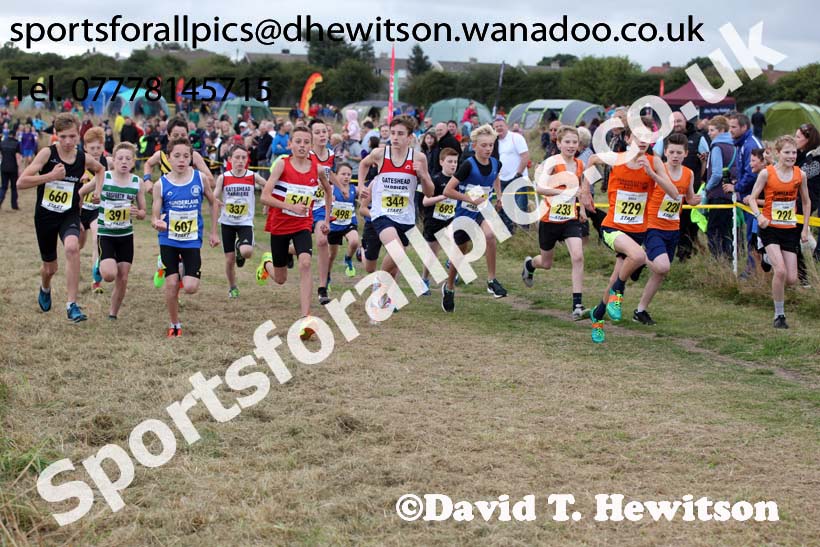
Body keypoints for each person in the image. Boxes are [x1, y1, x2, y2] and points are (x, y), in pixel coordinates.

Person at [585, 117, 680, 343]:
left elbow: (675, 193)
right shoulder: (616, 159)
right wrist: (584, 192)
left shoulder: (654, 162)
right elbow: (591, 160)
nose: (643, 141)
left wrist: (653, 174)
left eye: (648, 137)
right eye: (639, 136)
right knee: (638, 256)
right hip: (613, 227)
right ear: (628, 138)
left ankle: (597, 316)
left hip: (637, 231)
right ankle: (619, 293)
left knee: (614, 277)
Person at [17, 113, 105, 322]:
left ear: (78, 135)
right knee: (50, 268)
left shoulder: (82, 157)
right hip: (46, 217)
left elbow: (100, 169)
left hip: (69, 213)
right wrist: (50, 177)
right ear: (56, 135)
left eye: (73, 136)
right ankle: (45, 287)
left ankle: (71, 305)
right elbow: (22, 182)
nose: (68, 141)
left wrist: (98, 191)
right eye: (64, 136)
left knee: (72, 248)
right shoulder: (47, 154)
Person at [257, 126, 332, 339]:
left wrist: (326, 218)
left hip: (302, 224)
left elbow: (328, 191)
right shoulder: (282, 164)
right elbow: (264, 196)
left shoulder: (316, 168)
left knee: (306, 263)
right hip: (280, 225)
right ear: (290, 144)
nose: (302, 145)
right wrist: (289, 206)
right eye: (298, 141)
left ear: (311, 146)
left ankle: (305, 319)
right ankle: (266, 263)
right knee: (280, 278)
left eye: (306, 142)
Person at [358, 115, 434, 311]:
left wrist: (423, 175)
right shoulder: (380, 154)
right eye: (393, 133)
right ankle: (379, 288)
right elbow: (363, 164)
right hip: (382, 214)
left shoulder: (418, 158)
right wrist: (361, 186)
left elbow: (429, 192)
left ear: (410, 137)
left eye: (400, 134)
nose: (395, 137)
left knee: (396, 262)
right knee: (397, 251)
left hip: (406, 217)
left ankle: (385, 293)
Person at [150, 138, 220, 337]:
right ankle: (175, 324)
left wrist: (214, 232)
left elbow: (214, 203)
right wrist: (157, 222)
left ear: (191, 158)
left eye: (186, 156)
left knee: (190, 287)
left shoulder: (200, 178)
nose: (181, 160)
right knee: (172, 284)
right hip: (168, 239)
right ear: (168, 158)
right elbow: (154, 215)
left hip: (191, 239)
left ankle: (181, 268)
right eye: (177, 156)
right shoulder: (160, 185)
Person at [633, 132, 701, 324]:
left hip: (673, 227)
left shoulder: (689, 173)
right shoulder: (658, 169)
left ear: (685, 153)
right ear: (666, 153)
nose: (675, 156)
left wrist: (695, 200)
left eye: (679, 152)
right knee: (663, 266)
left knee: (660, 272)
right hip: (653, 225)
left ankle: (640, 310)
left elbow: (688, 198)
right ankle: (638, 256)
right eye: (671, 152)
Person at [522, 125, 588, 319]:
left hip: (570, 219)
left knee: (577, 256)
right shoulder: (551, 162)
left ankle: (577, 305)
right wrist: (564, 192)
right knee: (547, 262)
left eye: (574, 142)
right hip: (549, 220)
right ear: (558, 143)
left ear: (579, 145)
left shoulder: (579, 165)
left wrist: (582, 208)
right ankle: (530, 265)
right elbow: (540, 188)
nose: (571, 145)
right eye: (567, 142)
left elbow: (578, 190)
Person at [441, 124, 507, 313]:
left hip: (482, 210)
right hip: (464, 212)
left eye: (491, 145)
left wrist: (499, 195)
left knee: (490, 236)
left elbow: (496, 177)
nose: (488, 149)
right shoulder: (468, 165)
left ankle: (491, 280)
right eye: (484, 145)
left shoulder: (496, 162)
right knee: (460, 253)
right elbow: (448, 190)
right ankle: (450, 287)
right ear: (475, 146)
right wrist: (470, 198)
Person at [747, 135, 811, 329]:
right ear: (778, 153)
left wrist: (805, 228)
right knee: (781, 271)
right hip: (770, 228)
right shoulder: (767, 173)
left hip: (789, 229)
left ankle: (766, 259)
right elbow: (751, 198)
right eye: (787, 152)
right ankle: (779, 315)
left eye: (794, 152)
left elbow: (806, 202)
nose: (791, 156)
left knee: (792, 278)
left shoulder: (801, 175)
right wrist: (759, 216)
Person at [86, 142, 146, 320]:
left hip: (126, 236)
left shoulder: (137, 182)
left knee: (123, 277)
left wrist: (139, 212)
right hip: (106, 234)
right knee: (110, 275)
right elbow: (82, 191)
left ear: (133, 162)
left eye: (128, 158)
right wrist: (85, 202)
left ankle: (113, 313)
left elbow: (143, 212)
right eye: (120, 158)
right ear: (113, 160)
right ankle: (99, 265)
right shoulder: (104, 177)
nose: (124, 161)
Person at [214, 144, 267, 299]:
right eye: (237, 157)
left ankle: (240, 247)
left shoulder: (252, 176)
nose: (240, 161)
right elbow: (214, 195)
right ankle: (232, 287)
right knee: (229, 260)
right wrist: (215, 200)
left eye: (243, 157)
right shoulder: (223, 177)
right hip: (227, 222)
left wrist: (266, 204)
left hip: (245, 222)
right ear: (230, 159)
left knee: (247, 252)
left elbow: (267, 185)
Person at [728, 113, 764, 276]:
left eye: (734, 127)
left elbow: (753, 173)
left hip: (755, 198)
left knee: (754, 236)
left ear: (744, 127)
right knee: (750, 235)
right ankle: (752, 270)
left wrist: (736, 187)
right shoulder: (741, 143)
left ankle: (753, 272)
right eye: (729, 126)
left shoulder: (751, 144)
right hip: (747, 197)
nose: (730, 130)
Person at [420, 147, 459, 294]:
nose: (453, 165)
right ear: (442, 162)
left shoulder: (458, 181)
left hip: (451, 220)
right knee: (432, 255)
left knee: (458, 244)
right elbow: (425, 201)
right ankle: (424, 280)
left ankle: (452, 264)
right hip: (434, 222)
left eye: (455, 162)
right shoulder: (435, 180)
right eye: (449, 161)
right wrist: (443, 197)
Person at [308, 120, 336, 305]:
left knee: (321, 240)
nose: (322, 135)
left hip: (320, 206)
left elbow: (329, 174)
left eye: (324, 131)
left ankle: (322, 287)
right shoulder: (306, 154)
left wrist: (340, 186)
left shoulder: (331, 154)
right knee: (299, 247)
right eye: (317, 132)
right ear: (311, 137)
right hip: (302, 205)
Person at [78, 127, 108, 293]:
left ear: (103, 147)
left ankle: (96, 280)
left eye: (98, 148)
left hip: (97, 209)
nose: (96, 152)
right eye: (92, 148)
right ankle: (74, 265)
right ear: (85, 148)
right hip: (80, 211)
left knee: (97, 239)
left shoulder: (108, 163)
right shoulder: (79, 163)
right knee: (78, 245)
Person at [702, 116, 736, 259]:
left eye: (712, 130)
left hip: (717, 194)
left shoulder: (717, 146)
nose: (709, 133)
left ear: (721, 130)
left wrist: (706, 188)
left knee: (713, 230)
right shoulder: (733, 145)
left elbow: (716, 173)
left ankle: (718, 261)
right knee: (727, 231)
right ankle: (729, 259)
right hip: (729, 194)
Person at [492, 116, 530, 233]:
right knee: (504, 206)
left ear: (506, 126)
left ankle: (524, 233)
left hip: (518, 177)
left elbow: (525, 156)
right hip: (501, 179)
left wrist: (518, 173)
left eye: (501, 126)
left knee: (520, 206)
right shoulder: (494, 142)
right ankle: (509, 232)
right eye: (496, 127)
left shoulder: (516, 138)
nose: (499, 128)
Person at [327, 163, 360, 278]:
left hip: (348, 223)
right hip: (334, 226)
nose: (346, 177)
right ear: (335, 175)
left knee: (354, 241)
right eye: (343, 174)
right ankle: (327, 278)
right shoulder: (330, 188)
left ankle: (348, 258)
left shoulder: (354, 189)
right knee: (331, 256)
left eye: (349, 174)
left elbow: (366, 193)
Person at [795, 123, 820, 274]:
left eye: (798, 137)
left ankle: (804, 277)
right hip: (797, 200)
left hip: (808, 200)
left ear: (808, 139)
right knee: (797, 236)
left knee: (796, 237)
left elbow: (799, 175)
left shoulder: (815, 158)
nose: (795, 139)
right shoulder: (800, 154)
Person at [0, 130, 21, 210]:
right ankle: (14, 205)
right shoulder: (16, 144)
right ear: (15, 135)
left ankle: (0, 199)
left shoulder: (2, 143)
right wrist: (20, 169)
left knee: (3, 187)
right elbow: (18, 157)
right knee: (13, 187)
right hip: (13, 168)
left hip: (4, 167)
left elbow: (1, 155)